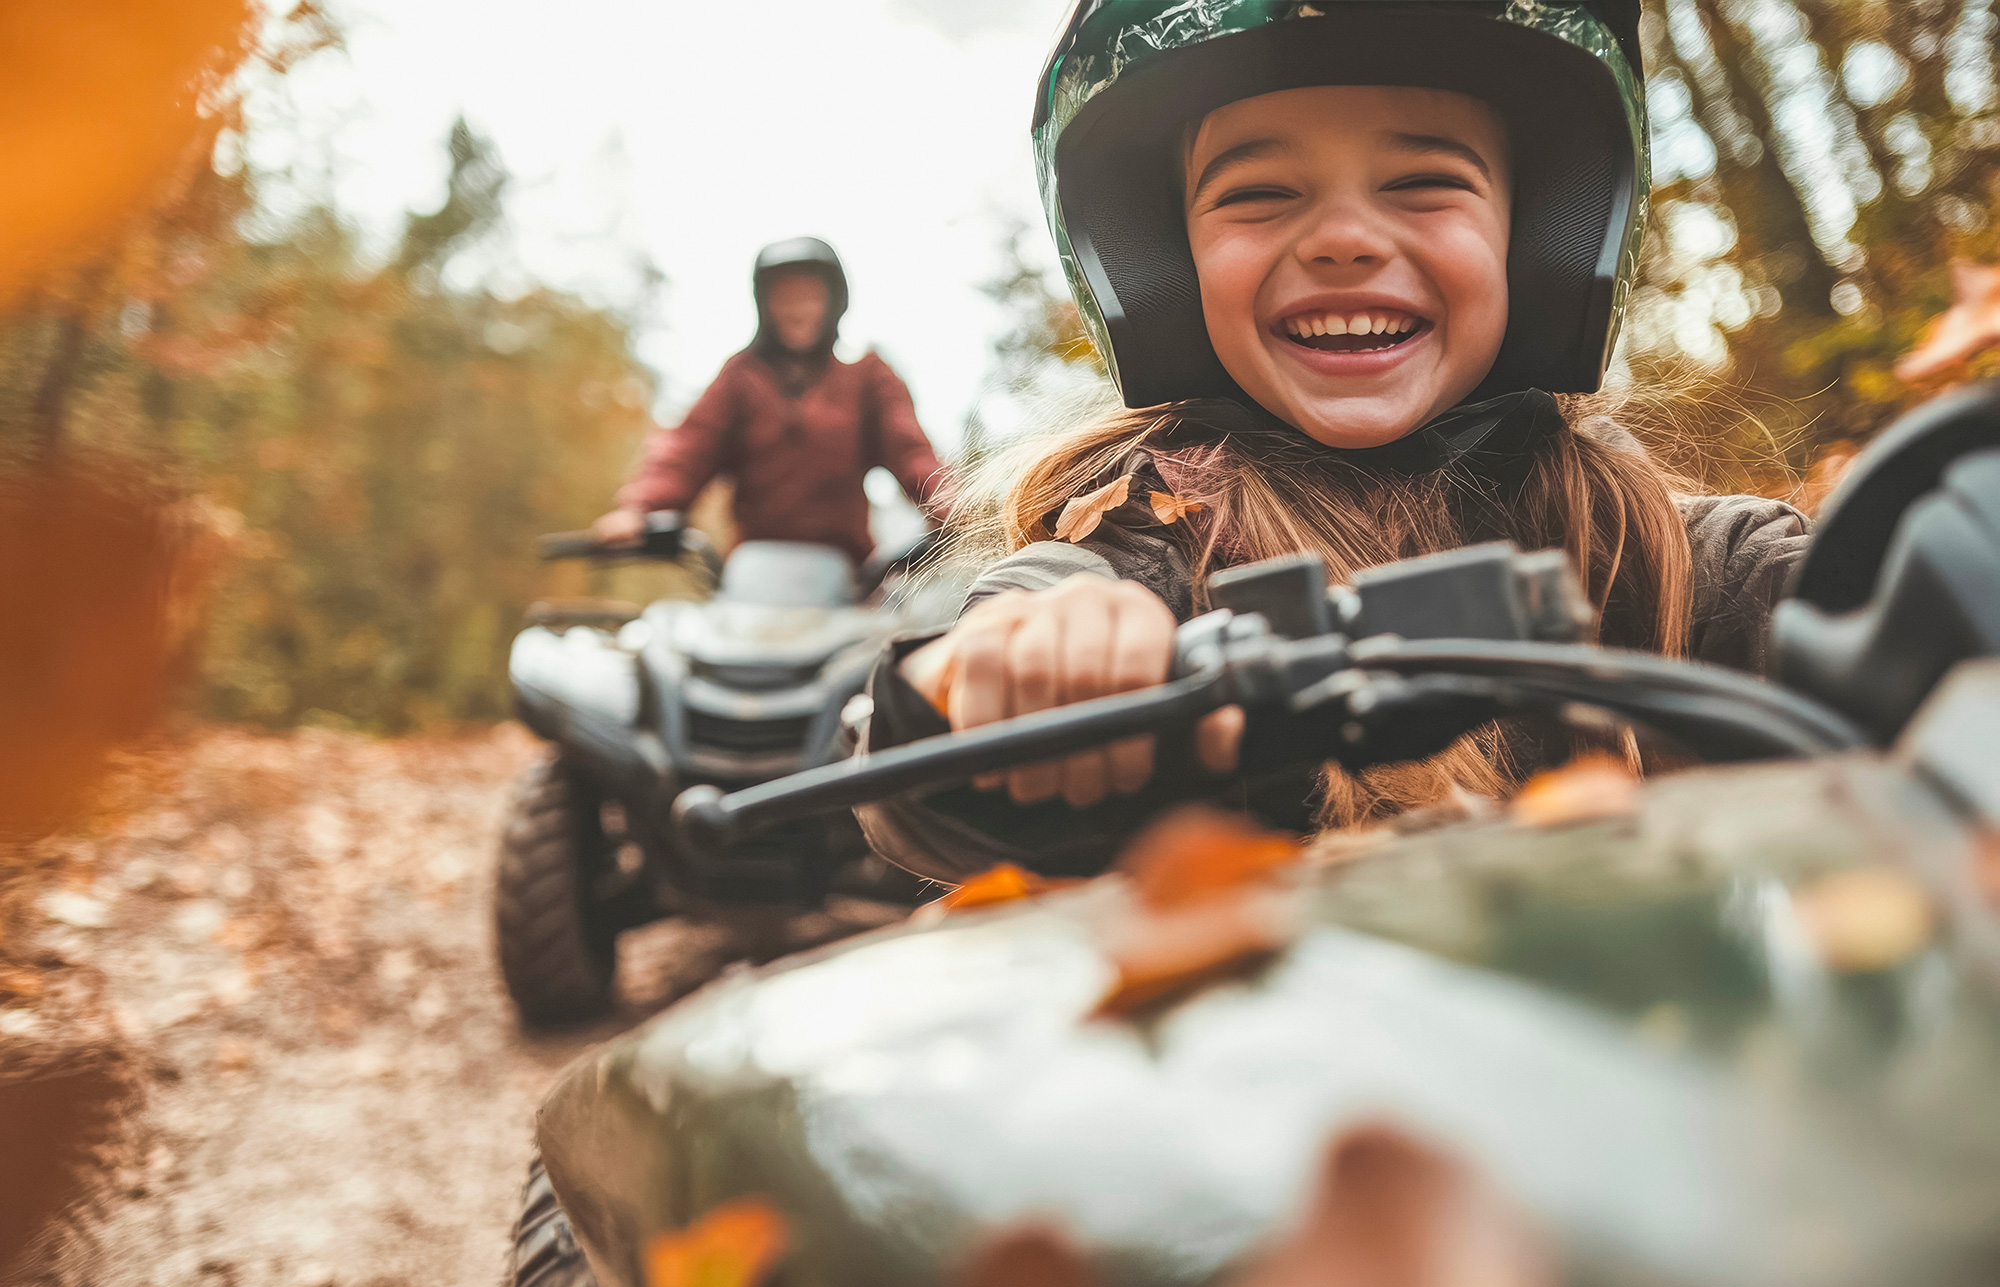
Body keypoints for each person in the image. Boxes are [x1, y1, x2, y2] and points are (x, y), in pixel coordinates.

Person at [855, 0, 1817, 882]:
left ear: (1535, 240)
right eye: (1259, 193)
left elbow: (1839, 610)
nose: (1344, 237)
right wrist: (995, 665)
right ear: (1166, 267)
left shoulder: (1666, 552)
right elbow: (934, 765)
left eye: (1424, 182)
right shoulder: (1138, 546)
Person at [592, 237, 949, 566]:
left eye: (810, 297)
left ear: (834, 302)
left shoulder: (869, 378)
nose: (797, 310)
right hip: (751, 573)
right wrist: (641, 509)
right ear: (765, 304)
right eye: (785, 298)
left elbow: (913, 454)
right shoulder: (741, 378)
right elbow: (687, 449)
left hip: (848, 576)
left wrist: (954, 507)